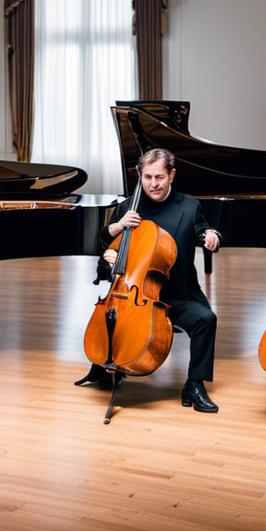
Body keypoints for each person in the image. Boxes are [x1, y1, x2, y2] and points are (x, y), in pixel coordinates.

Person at [76, 148, 224, 413]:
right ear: (140, 177)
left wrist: (213, 236)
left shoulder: (189, 207)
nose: (153, 184)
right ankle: (103, 366)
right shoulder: (128, 208)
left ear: (172, 175)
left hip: (176, 294)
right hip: (133, 294)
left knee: (206, 320)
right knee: (114, 314)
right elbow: (106, 246)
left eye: (159, 177)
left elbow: (205, 232)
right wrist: (116, 237)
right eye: (147, 177)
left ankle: (194, 385)